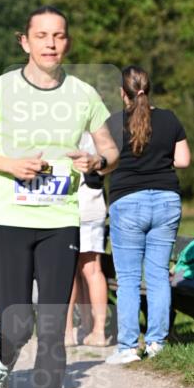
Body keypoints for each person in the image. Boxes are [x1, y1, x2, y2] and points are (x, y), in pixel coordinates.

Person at [0, 6, 119, 388]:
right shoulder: (1, 90)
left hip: (59, 221)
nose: (51, 43)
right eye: (41, 35)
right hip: (7, 220)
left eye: (59, 36)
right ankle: (2, 362)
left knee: (50, 328)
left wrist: (97, 163)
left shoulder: (84, 93)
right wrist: (10, 165)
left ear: (67, 42)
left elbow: (108, 149)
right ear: (24, 42)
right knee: (18, 323)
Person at [105, 66, 191, 364]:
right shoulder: (169, 119)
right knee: (157, 276)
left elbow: (104, 163)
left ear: (122, 92)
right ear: (147, 89)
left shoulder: (114, 122)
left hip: (127, 201)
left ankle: (128, 347)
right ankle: (157, 344)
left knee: (127, 277)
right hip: (167, 200)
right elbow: (182, 160)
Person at [65, 133, 110, 347]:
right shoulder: (99, 128)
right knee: (93, 269)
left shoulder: (62, 122)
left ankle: (66, 333)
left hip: (69, 200)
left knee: (67, 270)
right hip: (93, 200)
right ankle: (97, 331)